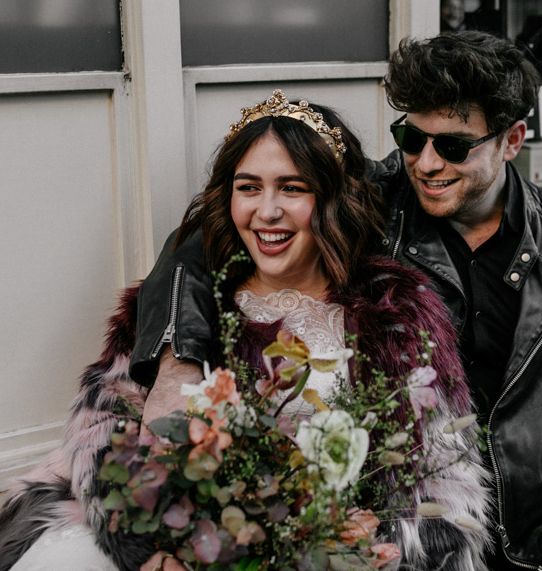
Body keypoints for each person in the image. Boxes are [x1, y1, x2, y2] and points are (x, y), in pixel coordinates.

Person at [126, 32, 542, 571]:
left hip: (533, 503)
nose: (426, 163)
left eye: (452, 146)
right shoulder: (369, 202)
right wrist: (177, 357)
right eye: (411, 137)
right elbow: (206, 238)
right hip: (405, 503)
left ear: (513, 140)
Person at [0, 91, 491, 571]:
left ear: (333, 199)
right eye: (249, 187)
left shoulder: (395, 315)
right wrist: (149, 550)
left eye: (293, 188)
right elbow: (105, 432)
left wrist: (353, 550)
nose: (267, 211)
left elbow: (440, 483)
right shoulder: (187, 298)